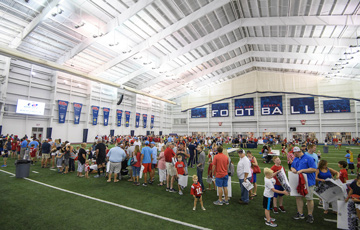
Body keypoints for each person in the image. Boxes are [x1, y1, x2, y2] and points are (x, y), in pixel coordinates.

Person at [291, 146, 317, 224]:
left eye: (293, 153)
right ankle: (300, 213)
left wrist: (302, 170)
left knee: (309, 198)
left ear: (297, 152)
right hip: (299, 181)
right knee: (298, 197)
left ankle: (310, 215)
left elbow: (313, 169)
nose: (293, 154)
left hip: (308, 181)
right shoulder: (296, 158)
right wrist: (293, 169)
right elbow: (292, 166)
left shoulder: (308, 158)